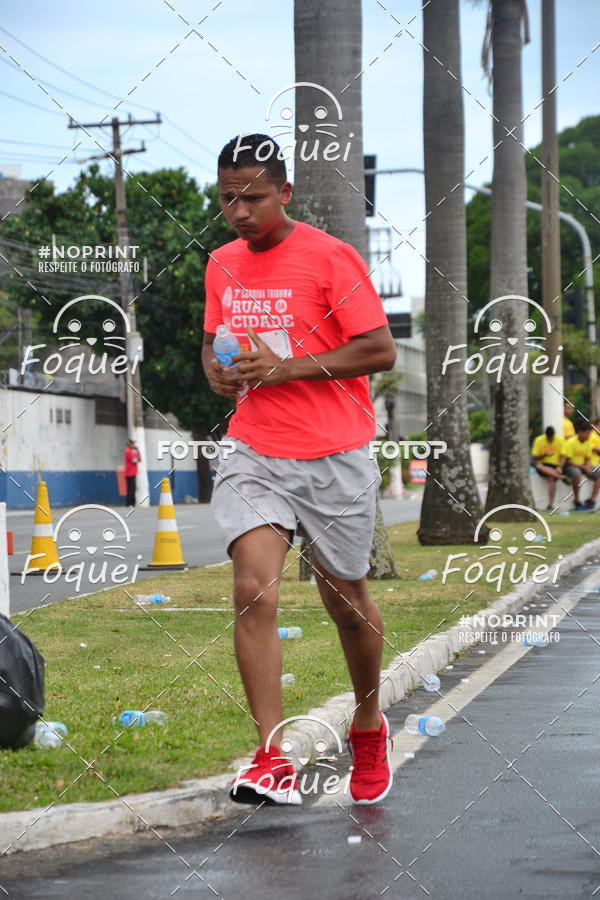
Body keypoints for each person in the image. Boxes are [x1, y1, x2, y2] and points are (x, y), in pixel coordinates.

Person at [202, 134, 397, 807]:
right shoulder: (221, 263)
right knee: (253, 589)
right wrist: (217, 373)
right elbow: (214, 343)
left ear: (284, 192)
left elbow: (379, 348)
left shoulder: (330, 256)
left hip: (334, 452)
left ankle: (368, 725)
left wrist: (287, 369)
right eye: (228, 198)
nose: (239, 211)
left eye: (253, 197)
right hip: (254, 447)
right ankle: (271, 755)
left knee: (346, 603)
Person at [559, 420, 600, 510]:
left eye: (589, 434)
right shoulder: (571, 442)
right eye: (587, 434)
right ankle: (577, 500)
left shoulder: (587, 443)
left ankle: (591, 500)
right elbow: (567, 461)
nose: (588, 436)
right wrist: (583, 467)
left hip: (582, 466)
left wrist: (587, 466)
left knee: (598, 474)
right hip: (570, 466)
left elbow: (588, 458)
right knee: (576, 473)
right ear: (581, 432)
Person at [531, 426, 564, 510]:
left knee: (551, 477)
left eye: (551, 438)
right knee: (538, 465)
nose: (550, 440)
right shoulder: (539, 440)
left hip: (555, 466)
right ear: (546, 436)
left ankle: (550, 504)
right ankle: (559, 476)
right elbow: (534, 457)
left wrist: (560, 467)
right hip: (543, 464)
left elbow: (563, 456)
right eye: (549, 438)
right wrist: (544, 455)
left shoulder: (560, 440)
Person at [124, 439, 141, 508]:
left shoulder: (130, 451)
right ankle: (129, 503)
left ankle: (132, 503)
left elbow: (139, 459)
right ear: (130, 444)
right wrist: (137, 451)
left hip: (131, 472)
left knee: (132, 488)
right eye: (133, 444)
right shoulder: (129, 451)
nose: (134, 445)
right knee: (132, 488)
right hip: (130, 473)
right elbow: (135, 460)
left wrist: (137, 453)